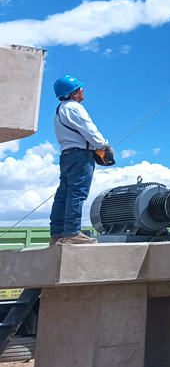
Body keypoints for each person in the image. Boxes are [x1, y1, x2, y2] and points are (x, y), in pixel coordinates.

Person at [50, 75, 109, 245]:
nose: (82, 90)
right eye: (79, 88)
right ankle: (72, 233)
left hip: (67, 155)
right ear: (73, 93)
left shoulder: (60, 109)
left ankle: (57, 235)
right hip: (80, 155)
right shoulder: (75, 108)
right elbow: (90, 131)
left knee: (63, 194)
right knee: (77, 194)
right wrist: (104, 146)